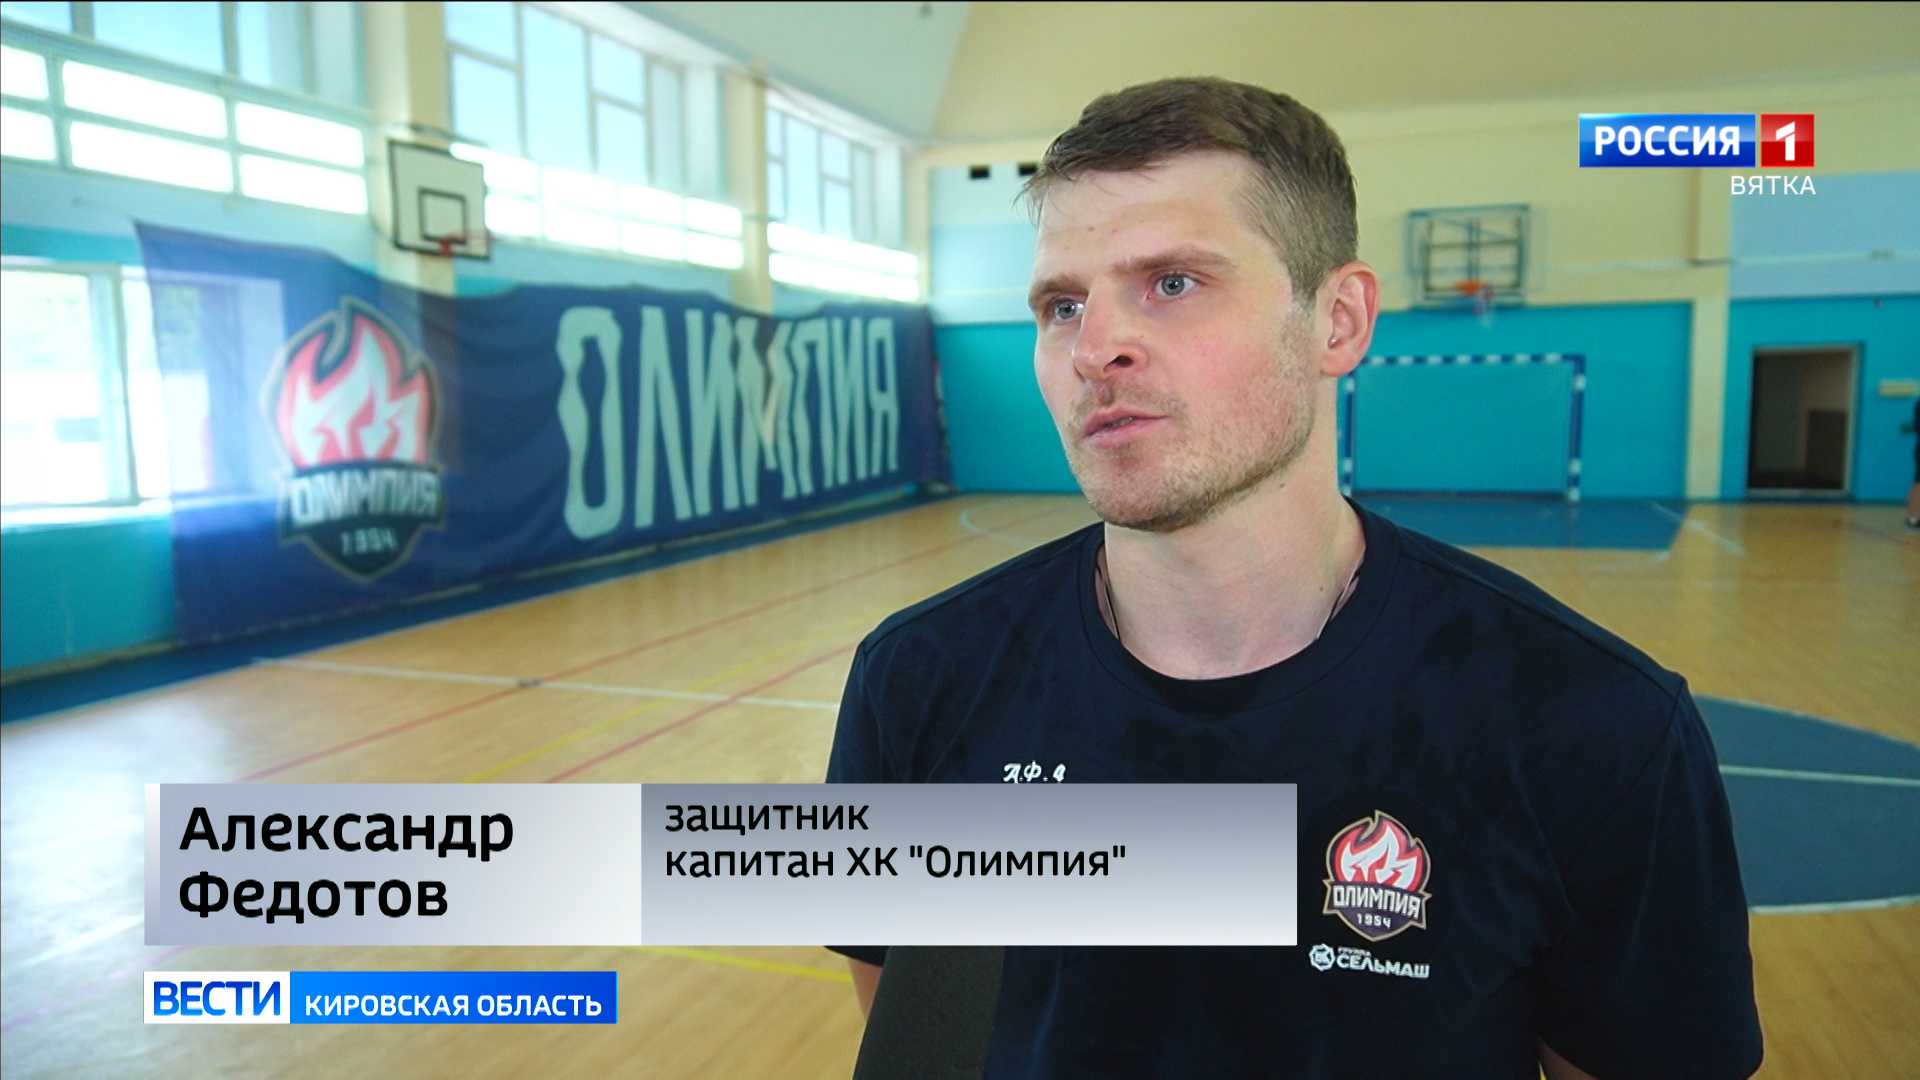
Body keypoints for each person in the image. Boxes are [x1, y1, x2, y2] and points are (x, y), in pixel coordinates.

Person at [825, 78, 1761, 1080]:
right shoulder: (917, 678)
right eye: (1062, 306)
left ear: (1338, 320)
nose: (1095, 349)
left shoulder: (1594, 722)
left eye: (1172, 282)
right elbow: (914, 1035)